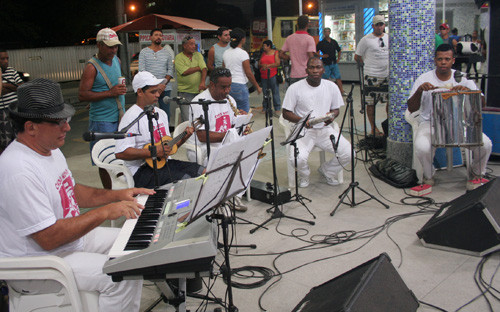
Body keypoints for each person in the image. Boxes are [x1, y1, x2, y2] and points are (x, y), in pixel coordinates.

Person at [0, 78, 152, 311]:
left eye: (67, 119)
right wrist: (105, 212)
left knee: (137, 245)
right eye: (59, 122)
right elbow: (48, 238)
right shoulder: (18, 170)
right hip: (38, 265)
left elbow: (72, 191)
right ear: (31, 127)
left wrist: (119, 195)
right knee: (123, 274)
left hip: (65, 244)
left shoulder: (48, 150)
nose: (68, 128)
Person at [407, 44, 492, 190]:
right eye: (440, 59)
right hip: (430, 123)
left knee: (485, 144)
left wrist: (468, 91)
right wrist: (420, 91)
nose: (443, 62)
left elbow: (482, 104)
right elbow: (412, 108)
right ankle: (428, 176)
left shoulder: (461, 78)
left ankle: (475, 174)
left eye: (447, 59)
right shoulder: (424, 79)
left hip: (459, 123)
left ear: (453, 60)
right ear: (435, 60)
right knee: (422, 147)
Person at [115, 71, 204, 189]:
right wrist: (153, 152)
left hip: (163, 163)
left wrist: (185, 136)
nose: (157, 95)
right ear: (140, 92)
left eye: (158, 91)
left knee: (202, 171)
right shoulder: (131, 117)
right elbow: (121, 153)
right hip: (140, 171)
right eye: (153, 92)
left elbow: (168, 148)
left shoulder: (161, 114)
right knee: (186, 181)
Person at [282, 57, 352, 188]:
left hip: (325, 130)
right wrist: (303, 121)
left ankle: (327, 171)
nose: (315, 70)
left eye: (318, 67)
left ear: (323, 70)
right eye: (311, 67)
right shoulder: (295, 88)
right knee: (296, 159)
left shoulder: (331, 86)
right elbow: (286, 113)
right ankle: (304, 175)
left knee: (349, 153)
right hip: (303, 131)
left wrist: (332, 116)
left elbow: (336, 109)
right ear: (306, 70)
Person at [187, 67, 248, 212]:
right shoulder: (199, 102)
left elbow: (232, 124)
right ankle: (222, 197)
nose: (227, 91)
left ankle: (233, 193)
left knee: (250, 155)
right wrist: (231, 134)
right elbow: (202, 136)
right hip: (203, 147)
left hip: (224, 143)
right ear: (212, 85)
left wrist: (241, 123)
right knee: (231, 158)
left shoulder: (229, 99)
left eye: (229, 86)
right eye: (223, 87)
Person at [79, 28, 127, 157]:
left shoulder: (117, 60)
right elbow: (82, 95)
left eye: (116, 46)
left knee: (120, 156)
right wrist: (110, 93)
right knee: (106, 159)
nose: (114, 50)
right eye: (110, 47)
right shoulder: (92, 67)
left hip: (120, 117)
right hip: (102, 121)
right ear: (99, 45)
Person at [355, 15, 389, 136]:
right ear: (373, 26)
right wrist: (367, 66)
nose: (380, 27)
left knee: (389, 102)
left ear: (384, 25)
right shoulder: (366, 40)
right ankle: (373, 127)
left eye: (381, 24)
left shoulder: (388, 38)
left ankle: (388, 125)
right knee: (370, 103)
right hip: (371, 75)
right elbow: (357, 56)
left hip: (386, 75)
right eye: (377, 25)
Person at [222, 28, 262, 112]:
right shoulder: (243, 53)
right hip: (240, 85)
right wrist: (257, 86)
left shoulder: (226, 53)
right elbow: (248, 73)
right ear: (243, 39)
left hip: (228, 86)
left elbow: (223, 70)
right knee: (243, 114)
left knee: (232, 112)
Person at [139, 28, 174, 121]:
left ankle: (165, 134)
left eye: (160, 35)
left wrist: (162, 85)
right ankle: (151, 134)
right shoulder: (144, 52)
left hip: (165, 88)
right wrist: (154, 87)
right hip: (149, 88)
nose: (158, 37)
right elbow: (142, 71)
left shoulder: (167, 53)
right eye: (156, 35)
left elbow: (170, 70)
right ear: (150, 37)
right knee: (149, 113)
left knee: (165, 114)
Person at [175, 36, 208, 122]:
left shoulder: (198, 55)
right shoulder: (178, 57)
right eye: (191, 44)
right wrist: (198, 68)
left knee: (201, 117)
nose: (194, 46)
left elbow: (204, 69)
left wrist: (202, 82)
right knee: (187, 118)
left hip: (199, 92)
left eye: (194, 44)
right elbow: (185, 72)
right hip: (185, 93)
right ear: (184, 46)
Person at [279, 15, 316, 85]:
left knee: (295, 95)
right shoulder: (309, 38)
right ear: (307, 25)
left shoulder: (289, 38)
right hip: (306, 74)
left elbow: (281, 54)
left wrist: (290, 57)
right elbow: (311, 56)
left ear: (297, 25)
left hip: (293, 74)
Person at [0, 49, 24, 153]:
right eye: (2, 59)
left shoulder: (12, 71)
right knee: (6, 139)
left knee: (19, 135)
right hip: (2, 111)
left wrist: (4, 85)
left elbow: (21, 87)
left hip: (15, 108)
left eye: (7, 58)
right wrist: (12, 87)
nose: (6, 61)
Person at [316, 27, 346, 95]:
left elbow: (339, 50)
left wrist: (338, 58)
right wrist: (321, 56)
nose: (327, 33)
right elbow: (315, 52)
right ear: (323, 33)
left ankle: (341, 91)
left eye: (328, 31)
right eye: (325, 31)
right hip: (326, 63)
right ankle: (324, 91)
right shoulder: (321, 43)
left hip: (334, 63)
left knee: (338, 77)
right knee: (325, 78)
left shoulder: (333, 42)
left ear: (330, 32)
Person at [259, 40, 281, 116]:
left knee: (275, 91)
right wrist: (263, 66)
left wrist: (268, 66)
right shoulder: (263, 53)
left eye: (265, 46)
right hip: (264, 75)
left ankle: (277, 107)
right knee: (265, 92)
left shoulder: (275, 52)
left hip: (273, 74)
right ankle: (265, 107)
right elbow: (259, 63)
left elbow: (278, 63)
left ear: (269, 46)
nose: (263, 47)